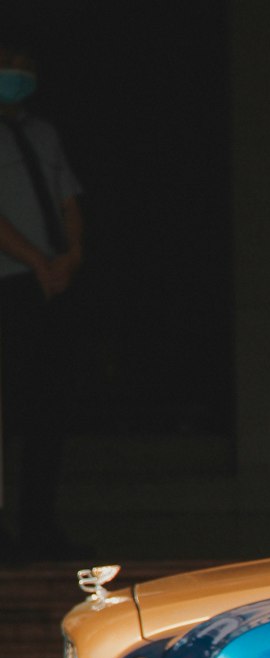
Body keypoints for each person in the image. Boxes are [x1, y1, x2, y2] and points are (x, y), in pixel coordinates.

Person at [0, 40, 82, 562]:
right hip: (10, 280)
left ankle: (38, 526)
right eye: (11, 65)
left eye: (28, 66)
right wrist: (35, 259)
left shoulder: (42, 132)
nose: (20, 73)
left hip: (49, 283)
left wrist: (70, 256)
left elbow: (67, 198)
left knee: (47, 408)